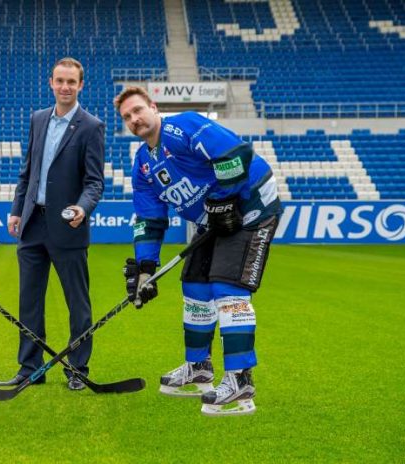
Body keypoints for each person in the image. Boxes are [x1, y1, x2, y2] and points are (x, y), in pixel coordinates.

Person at [114, 86, 281, 416]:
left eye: (138, 110)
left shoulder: (184, 126)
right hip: (213, 221)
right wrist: (147, 268)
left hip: (251, 208)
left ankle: (239, 380)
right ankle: (199, 368)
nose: (134, 119)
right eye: (127, 117)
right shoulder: (142, 164)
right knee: (195, 286)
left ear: (153, 107)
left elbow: (235, 153)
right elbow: (149, 218)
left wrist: (226, 199)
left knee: (227, 288)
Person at [0, 57, 105, 391]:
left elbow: (95, 182)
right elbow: (27, 171)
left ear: (81, 85)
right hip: (32, 224)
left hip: (68, 227)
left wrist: (82, 208)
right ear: (51, 82)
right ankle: (31, 367)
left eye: (71, 82)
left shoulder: (91, 126)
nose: (65, 87)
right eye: (60, 81)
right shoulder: (38, 119)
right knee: (29, 300)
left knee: (78, 302)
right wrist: (18, 209)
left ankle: (78, 368)